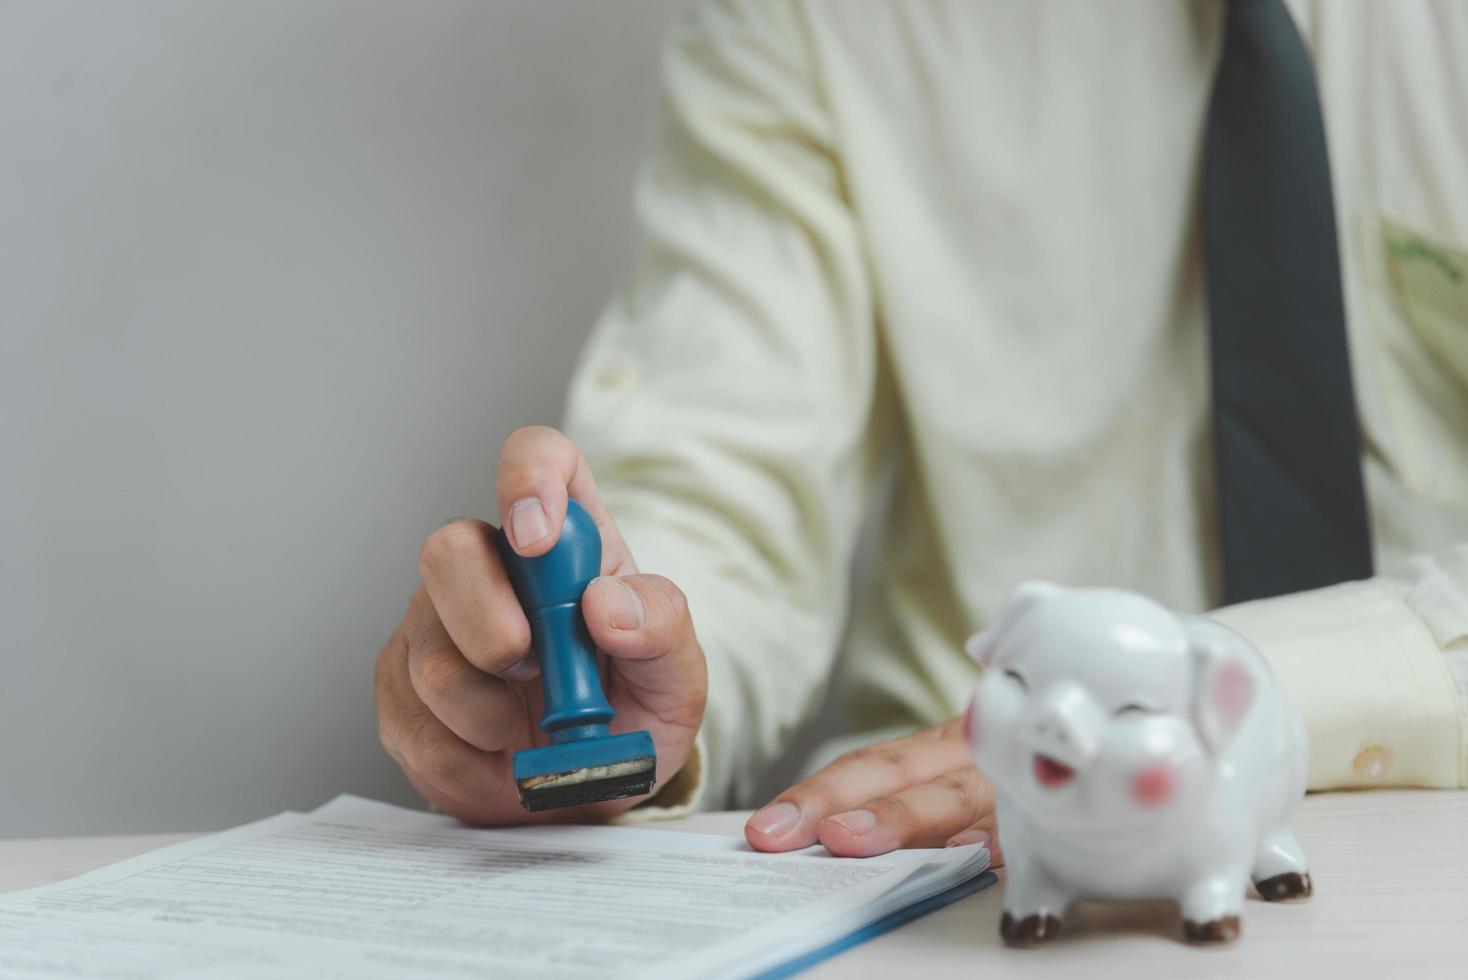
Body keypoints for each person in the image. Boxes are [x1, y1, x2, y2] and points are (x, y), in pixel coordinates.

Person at [374, 0, 1468, 859]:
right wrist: (615, 665)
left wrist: (1260, 690)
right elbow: (721, 490)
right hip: (952, 857)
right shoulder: (815, 21)